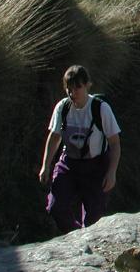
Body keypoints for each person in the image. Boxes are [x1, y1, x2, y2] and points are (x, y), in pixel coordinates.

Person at [38, 65, 121, 233]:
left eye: (78, 87)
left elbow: (115, 144)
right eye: (69, 88)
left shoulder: (100, 109)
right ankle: (76, 236)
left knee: (93, 219)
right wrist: (45, 165)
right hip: (69, 164)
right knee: (56, 207)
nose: (73, 93)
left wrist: (111, 173)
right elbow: (54, 137)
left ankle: (86, 241)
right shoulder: (63, 108)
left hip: (96, 167)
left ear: (88, 85)